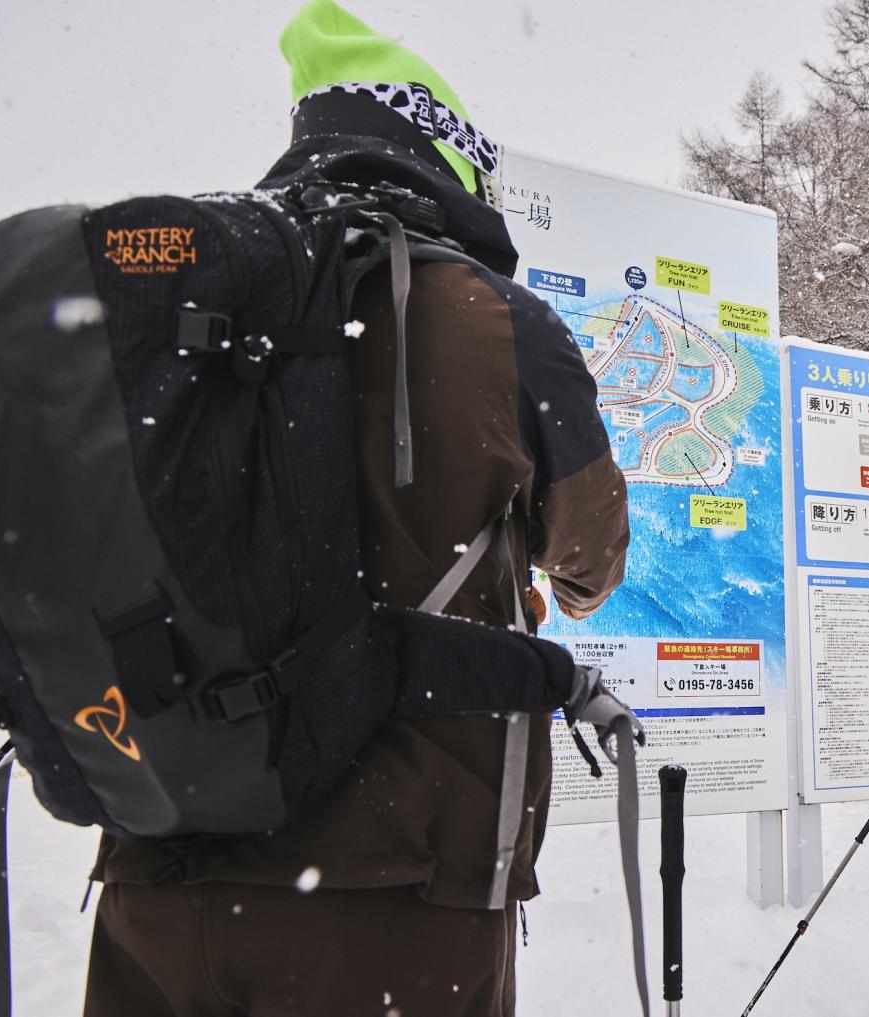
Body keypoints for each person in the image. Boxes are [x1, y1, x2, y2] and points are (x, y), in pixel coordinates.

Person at [82, 3, 629, 1015]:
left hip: (161, 868)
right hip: (402, 875)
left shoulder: (184, 320)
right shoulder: (504, 324)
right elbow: (591, 556)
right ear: (444, 157)